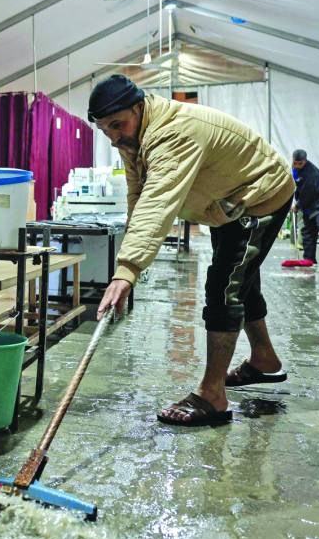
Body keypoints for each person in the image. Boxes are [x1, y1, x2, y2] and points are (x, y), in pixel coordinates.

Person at [90, 75, 295, 427]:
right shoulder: (134, 136)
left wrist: (128, 269)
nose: (113, 136)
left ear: (138, 108)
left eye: (117, 125)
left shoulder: (174, 133)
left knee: (223, 288)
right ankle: (265, 361)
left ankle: (212, 395)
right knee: (241, 281)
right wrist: (128, 263)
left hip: (260, 197)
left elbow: (158, 203)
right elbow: (139, 198)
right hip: (228, 203)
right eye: (105, 129)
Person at [291, 149, 319, 266]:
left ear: (305, 161)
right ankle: (309, 258)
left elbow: (308, 192)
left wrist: (297, 206)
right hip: (309, 202)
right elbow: (297, 186)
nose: (297, 166)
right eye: (295, 163)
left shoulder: (311, 174)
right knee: (308, 230)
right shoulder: (294, 169)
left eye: (300, 164)